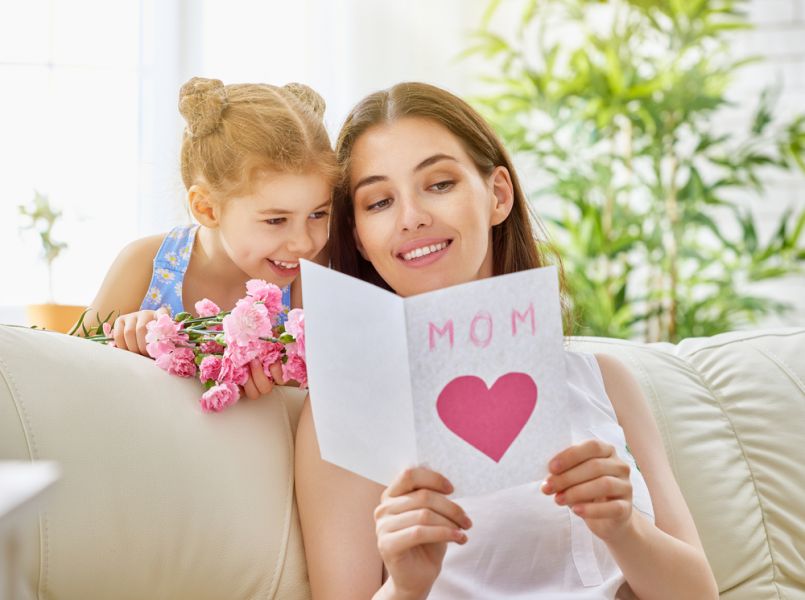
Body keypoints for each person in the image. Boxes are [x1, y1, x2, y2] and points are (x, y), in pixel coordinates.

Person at [295, 82, 718, 599]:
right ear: (359, 234)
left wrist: (623, 528)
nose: (411, 218)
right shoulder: (347, 409)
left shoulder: (604, 379)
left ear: (497, 194)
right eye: (379, 201)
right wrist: (406, 587)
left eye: (439, 183)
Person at [85, 77, 337, 399]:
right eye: (276, 220)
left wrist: (286, 383)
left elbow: (324, 396)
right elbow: (61, 372)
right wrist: (124, 343)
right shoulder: (144, 264)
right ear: (206, 209)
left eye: (318, 214)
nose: (303, 243)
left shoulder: (310, 273)